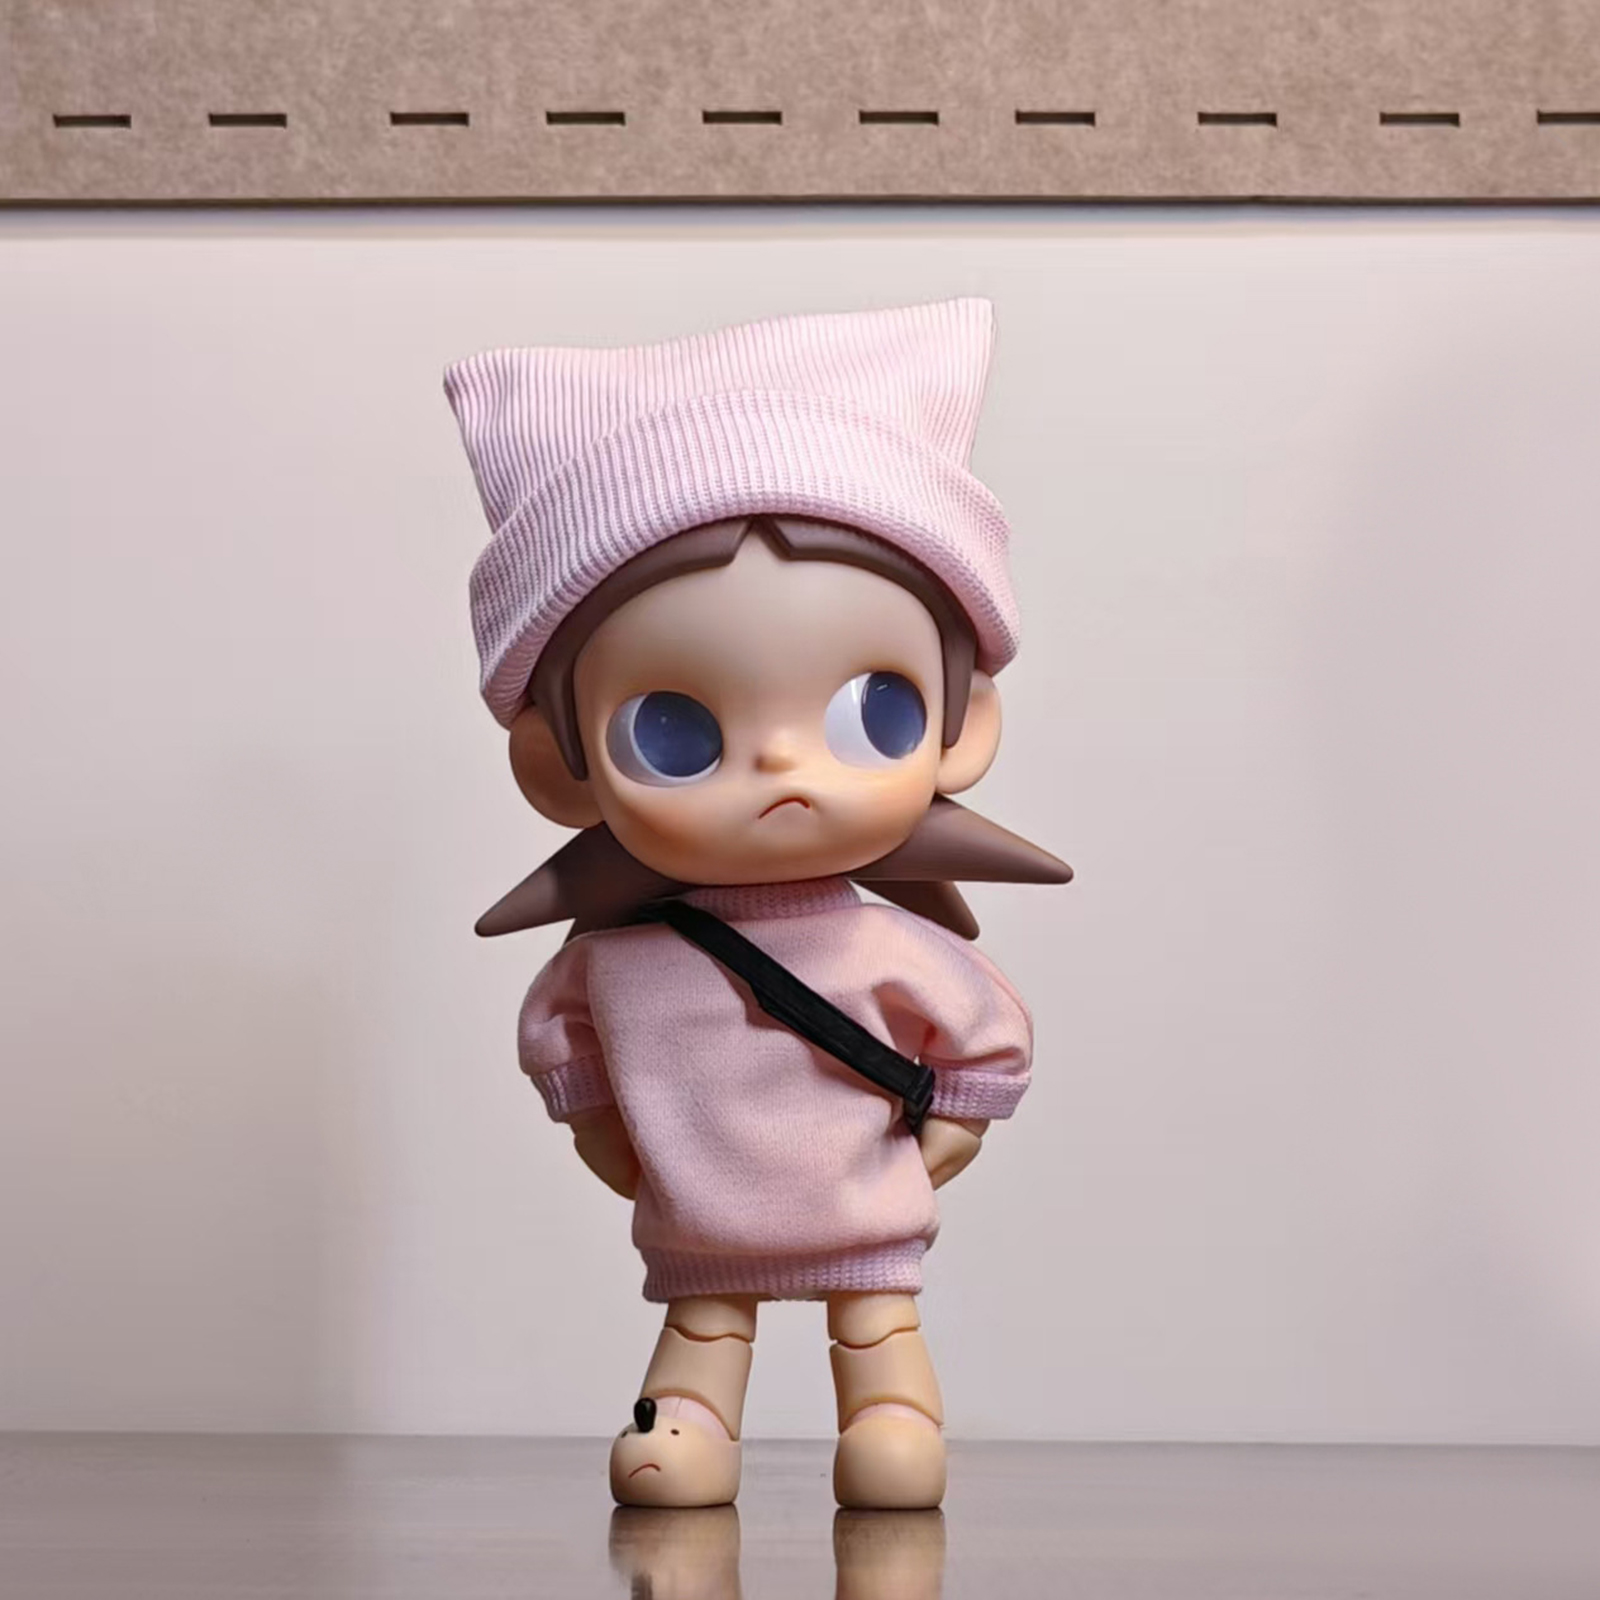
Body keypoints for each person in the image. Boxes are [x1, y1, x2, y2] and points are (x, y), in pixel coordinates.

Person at [443, 298, 1069, 1510]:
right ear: (559, 766)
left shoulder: (886, 945)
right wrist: (624, 1147)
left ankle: (891, 1419)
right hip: (704, 1220)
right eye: (674, 731)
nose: (782, 764)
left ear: (962, 729)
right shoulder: (618, 965)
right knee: (701, 1329)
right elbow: (569, 1060)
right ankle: (685, 1425)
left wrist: (940, 1137)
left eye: (872, 711)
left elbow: (982, 1051)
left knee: (873, 1324)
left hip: (857, 1214)